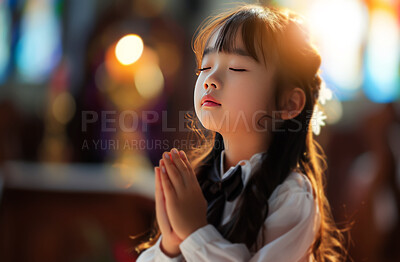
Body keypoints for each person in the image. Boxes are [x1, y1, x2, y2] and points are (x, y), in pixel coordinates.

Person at [134, 3, 349, 262]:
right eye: (205, 66)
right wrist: (170, 246)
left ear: (288, 103)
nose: (210, 79)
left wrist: (194, 233)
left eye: (236, 68)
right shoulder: (202, 181)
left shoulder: (290, 195)